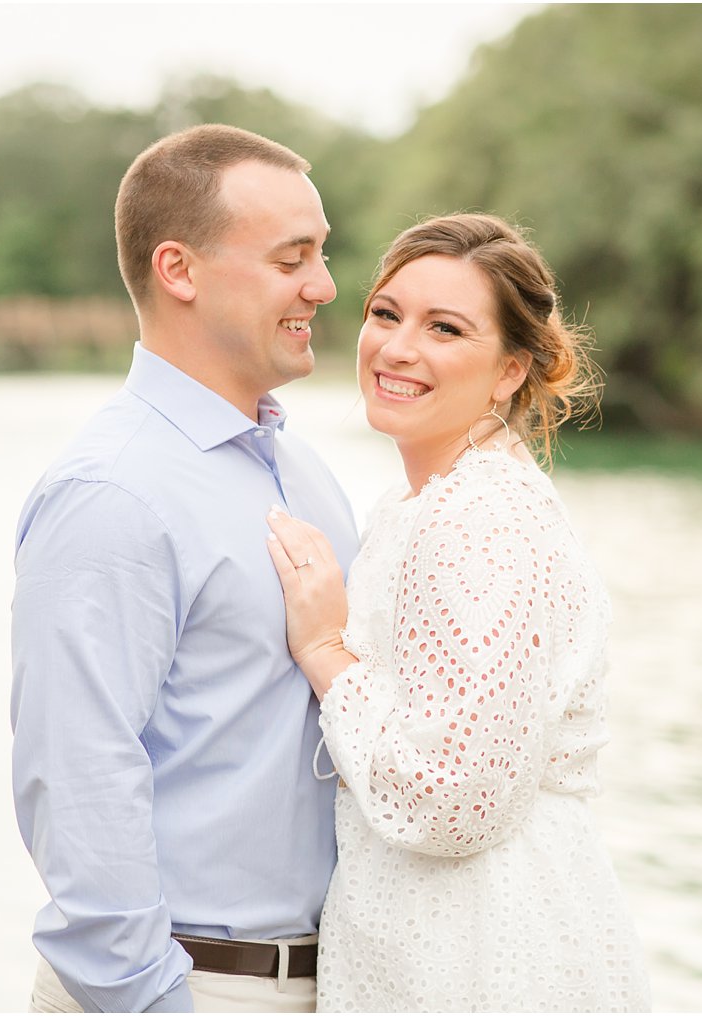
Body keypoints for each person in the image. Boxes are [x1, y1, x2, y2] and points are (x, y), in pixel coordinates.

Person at [263, 213, 652, 1012]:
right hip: (435, 936)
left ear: (511, 369)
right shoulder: (428, 503)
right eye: (386, 314)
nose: (399, 348)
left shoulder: (478, 519)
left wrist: (325, 649)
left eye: (445, 328)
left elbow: (458, 798)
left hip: (481, 950)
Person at [10, 124, 358, 1013]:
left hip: (334, 983)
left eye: (322, 255)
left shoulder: (303, 469)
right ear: (180, 270)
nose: (322, 286)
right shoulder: (113, 492)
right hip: (192, 988)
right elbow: (81, 774)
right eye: (294, 259)